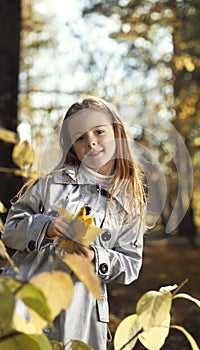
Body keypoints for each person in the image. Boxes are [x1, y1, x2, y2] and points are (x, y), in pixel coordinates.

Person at [2, 96, 147, 350]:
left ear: (116, 132)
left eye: (99, 132)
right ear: (72, 146)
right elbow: (10, 230)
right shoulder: (50, 184)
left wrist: (96, 257)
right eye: (80, 137)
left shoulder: (129, 202)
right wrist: (45, 227)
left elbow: (131, 265)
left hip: (82, 314)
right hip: (26, 296)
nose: (91, 141)